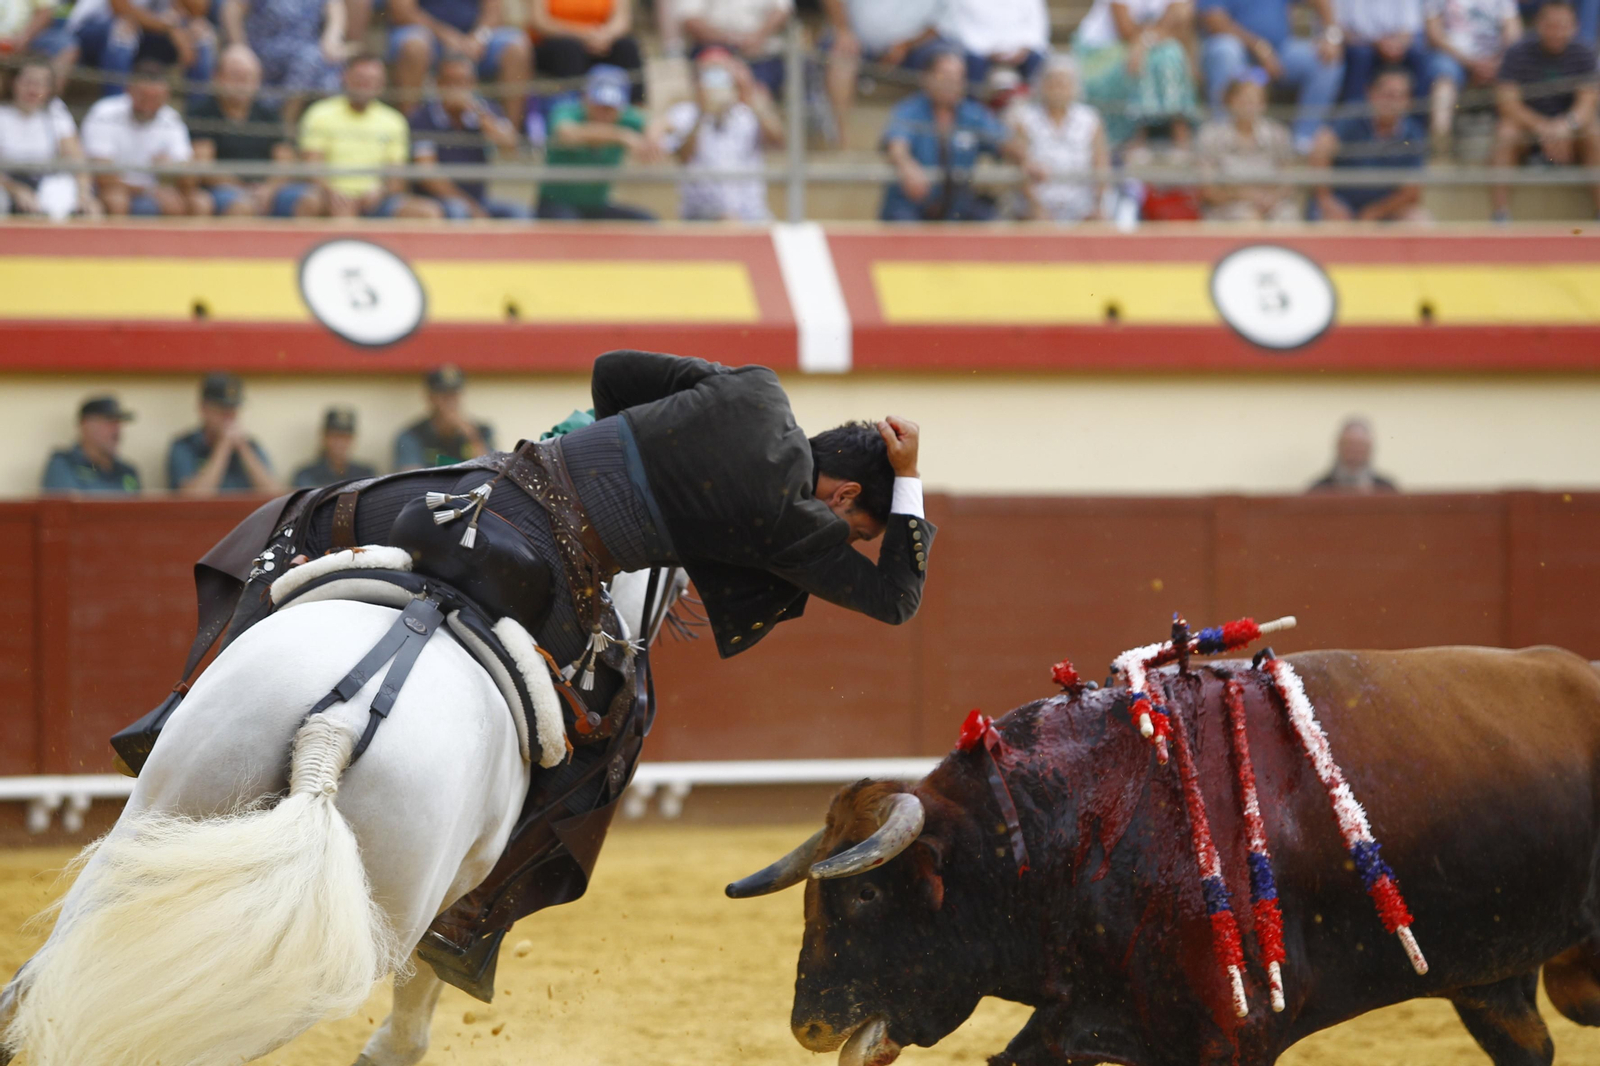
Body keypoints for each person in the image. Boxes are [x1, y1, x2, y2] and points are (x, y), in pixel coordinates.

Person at [185, 348, 933, 992]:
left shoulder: (756, 389)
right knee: (606, 735)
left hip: (489, 487)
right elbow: (898, 599)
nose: (848, 539)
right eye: (858, 530)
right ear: (844, 494)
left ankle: (175, 716)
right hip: (545, 567)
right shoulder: (795, 522)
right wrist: (911, 482)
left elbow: (612, 373)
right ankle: (465, 915)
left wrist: (626, 445)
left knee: (306, 524)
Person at [879, 48, 1039, 221]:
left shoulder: (972, 114)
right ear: (927, 78)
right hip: (910, 206)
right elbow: (896, 145)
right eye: (945, 76)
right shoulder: (908, 110)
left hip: (957, 206)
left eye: (958, 77)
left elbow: (1004, 142)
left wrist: (1025, 157)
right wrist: (907, 167)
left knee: (992, 223)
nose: (952, 83)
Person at [285, 53, 442, 218]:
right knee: (314, 202)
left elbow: (397, 178)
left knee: (428, 213)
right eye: (360, 78)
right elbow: (311, 166)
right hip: (328, 195)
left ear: (382, 83)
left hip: (377, 200)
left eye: (372, 79)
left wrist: (381, 192)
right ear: (345, 77)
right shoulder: (320, 113)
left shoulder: (394, 121)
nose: (365, 84)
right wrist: (332, 193)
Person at [1491, 0, 1599, 221]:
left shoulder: (1584, 53)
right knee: (1505, 133)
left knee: (1595, 133)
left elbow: (1587, 104)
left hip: (1570, 134)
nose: (1557, 32)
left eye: (1563, 26)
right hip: (1528, 132)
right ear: (1538, 24)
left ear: (1574, 26)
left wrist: (1566, 126)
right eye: (1551, 25)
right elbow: (1507, 103)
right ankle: (1500, 215)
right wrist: (1545, 128)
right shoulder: (1517, 52)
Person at [654, 48, 782, 221]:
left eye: (721, 73)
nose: (715, 81)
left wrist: (748, 91)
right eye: (709, 74)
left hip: (753, 214)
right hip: (702, 213)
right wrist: (702, 113)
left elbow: (778, 140)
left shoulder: (745, 113)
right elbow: (683, 157)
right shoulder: (684, 113)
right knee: (728, 220)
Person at [1198, 0, 1344, 151]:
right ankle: (1220, 139)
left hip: (1279, 52)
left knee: (1327, 61)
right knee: (1225, 50)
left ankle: (1304, 143)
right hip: (1238, 52)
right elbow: (1214, 20)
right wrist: (1259, 47)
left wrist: (1331, 36)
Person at [81, 61, 211, 216]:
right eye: (143, 98)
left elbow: (190, 176)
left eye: (155, 99)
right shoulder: (104, 113)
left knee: (199, 202)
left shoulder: (171, 119)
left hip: (157, 190)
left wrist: (172, 170)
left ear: (166, 96)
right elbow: (103, 177)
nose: (148, 107)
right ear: (129, 90)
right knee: (117, 201)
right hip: (115, 189)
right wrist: (149, 190)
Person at [412, 53, 528, 218]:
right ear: (438, 84)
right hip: (439, 202)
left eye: (464, 82)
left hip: (479, 200)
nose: (457, 89)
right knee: (457, 211)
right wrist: (471, 207)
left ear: (474, 84)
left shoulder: (486, 110)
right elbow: (427, 174)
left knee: (519, 212)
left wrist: (479, 116)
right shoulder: (422, 117)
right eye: (450, 82)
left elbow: (511, 147)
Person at [1307, 65, 1431, 221]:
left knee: (1419, 220)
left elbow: (1412, 191)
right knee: (1327, 222)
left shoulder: (1413, 134)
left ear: (1409, 101)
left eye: (1400, 96)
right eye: (1388, 95)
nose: (1393, 102)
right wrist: (1327, 200)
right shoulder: (1350, 117)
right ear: (1371, 93)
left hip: (1385, 209)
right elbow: (1320, 149)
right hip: (1340, 205)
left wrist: (1375, 212)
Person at [537, 63, 661, 219]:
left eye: (610, 107)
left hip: (596, 207)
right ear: (586, 99)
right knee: (569, 228)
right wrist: (622, 137)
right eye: (598, 105)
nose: (604, 113)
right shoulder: (567, 111)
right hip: (556, 206)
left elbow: (661, 122)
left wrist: (652, 136)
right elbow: (567, 133)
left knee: (646, 220)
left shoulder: (625, 118)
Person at [820, 0, 946, 148]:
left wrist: (906, 46)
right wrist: (843, 29)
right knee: (841, 52)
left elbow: (943, 21)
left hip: (917, 47)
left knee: (948, 67)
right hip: (857, 41)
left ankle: (943, 146)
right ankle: (841, 140)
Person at [187, 45, 296, 216]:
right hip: (221, 190)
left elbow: (286, 161)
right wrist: (243, 190)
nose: (242, 83)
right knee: (242, 206)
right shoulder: (202, 113)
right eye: (235, 76)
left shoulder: (268, 114)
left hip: (266, 189)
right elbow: (204, 166)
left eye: (249, 77)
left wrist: (269, 189)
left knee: (305, 200)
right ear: (217, 78)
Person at [1072, 0, 1199, 144]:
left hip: (1144, 50)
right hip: (1101, 56)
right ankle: (1146, 136)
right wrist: (1151, 37)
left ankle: (1172, 131)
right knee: (1159, 56)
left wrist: (1145, 41)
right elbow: (1126, 31)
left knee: (1170, 52)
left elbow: (1180, 27)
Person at [389, 0, 531, 127]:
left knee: (517, 46)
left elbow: (494, 10)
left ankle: (510, 135)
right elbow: (402, 11)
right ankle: (412, 130)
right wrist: (446, 35)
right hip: (427, 36)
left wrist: (479, 37)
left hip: (472, 39)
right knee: (414, 47)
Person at [37, 0, 215, 99]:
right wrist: (171, 29)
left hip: (145, 35)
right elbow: (120, 8)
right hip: (89, 32)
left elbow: (199, 9)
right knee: (123, 31)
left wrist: (178, 27)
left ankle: (198, 123)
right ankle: (114, 109)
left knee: (202, 34)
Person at [1011, 53, 1108, 221]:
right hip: (1038, 205)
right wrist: (1036, 207)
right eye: (1053, 83)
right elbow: (1020, 166)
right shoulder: (1025, 119)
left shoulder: (1090, 119)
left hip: (1081, 205)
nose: (1057, 89)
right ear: (1042, 85)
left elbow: (1101, 165)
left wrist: (1098, 205)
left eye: (1063, 84)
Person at [0, 58, 100, 219]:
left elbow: (76, 157)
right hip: (5, 181)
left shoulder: (55, 111)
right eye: (28, 82)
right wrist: (15, 189)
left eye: (41, 84)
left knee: (62, 199)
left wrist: (84, 194)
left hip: (44, 178)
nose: (33, 89)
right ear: (13, 82)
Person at [1197, 69, 1300, 220]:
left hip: (1272, 204)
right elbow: (1208, 191)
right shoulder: (1210, 136)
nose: (1248, 106)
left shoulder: (1278, 135)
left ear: (1263, 104)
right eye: (1243, 100)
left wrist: (1271, 199)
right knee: (1246, 217)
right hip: (1227, 208)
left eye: (1254, 101)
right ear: (1229, 101)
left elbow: (1290, 180)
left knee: (1288, 216)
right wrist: (1245, 196)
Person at [1425, 0, 1520, 148]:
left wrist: (1499, 61)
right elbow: (1434, 34)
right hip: (1454, 59)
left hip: (1496, 60)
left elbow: (1514, 33)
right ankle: (1440, 146)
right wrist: (1470, 63)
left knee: (1513, 75)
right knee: (1443, 80)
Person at [167, 373, 282, 496]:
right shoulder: (184, 446)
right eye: (222, 409)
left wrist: (243, 449)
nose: (230, 416)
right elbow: (192, 498)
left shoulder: (251, 446)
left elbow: (275, 495)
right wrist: (223, 447)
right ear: (203, 408)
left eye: (234, 408)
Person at [221, 0, 345, 112]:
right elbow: (233, 9)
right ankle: (282, 126)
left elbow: (335, 10)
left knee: (322, 67)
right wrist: (240, 46)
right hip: (265, 49)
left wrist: (331, 39)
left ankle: (297, 122)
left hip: (306, 50)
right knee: (309, 61)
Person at [677, 0, 792, 97]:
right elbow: (689, 19)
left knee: (760, 96)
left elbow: (783, 10)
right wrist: (732, 40)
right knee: (716, 92)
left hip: (764, 57)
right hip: (714, 54)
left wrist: (757, 38)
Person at [393, 364, 497, 470]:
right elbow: (410, 478)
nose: (450, 401)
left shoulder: (482, 431)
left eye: (454, 394)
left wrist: (471, 436)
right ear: (430, 397)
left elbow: (490, 472)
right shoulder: (412, 435)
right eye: (443, 395)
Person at [526, 0, 643, 90]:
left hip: (600, 40)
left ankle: (636, 109)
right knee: (569, 50)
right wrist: (583, 35)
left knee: (627, 47)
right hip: (557, 42)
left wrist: (606, 36)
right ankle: (571, 110)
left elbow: (622, 19)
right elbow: (540, 21)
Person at [40, 395, 141, 494]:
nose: (117, 429)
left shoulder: (127, 472)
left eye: (119, 422)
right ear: (85, 425)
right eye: (109, 421)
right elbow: (67, 507)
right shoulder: (64, 464)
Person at [1336, 0, 1431, 102]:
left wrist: (1396, 43)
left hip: (1398, 45)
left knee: (1420, 52)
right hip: (1363, 45)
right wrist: (1376, 43)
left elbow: (1411, 27)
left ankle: (1418, 110)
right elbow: (1342, 29)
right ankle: (1355, 109)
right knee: (1361, 54)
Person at [937, 0, 1050, 85]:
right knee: (972, 61)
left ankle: (1030, 108)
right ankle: (974, 108)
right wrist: (988, 51)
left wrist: (1023, 49)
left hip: (1020, 50)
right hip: (979, 50)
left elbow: (1038, 26)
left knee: (1038, 60)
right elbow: (960, 27)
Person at [1307, 416, 1399, 492]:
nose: (1354, 451)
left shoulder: (1386, 489)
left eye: (1360, 446)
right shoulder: (1318, 489)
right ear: (1339, 447)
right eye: (1349, 445)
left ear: (1369, 450)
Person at [292, 406, 377, 488]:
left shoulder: (366, 474)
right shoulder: (306, 475)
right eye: (334, 436)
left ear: (353, 439)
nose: (339, 443)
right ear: (324, 437)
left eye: (345, 437)